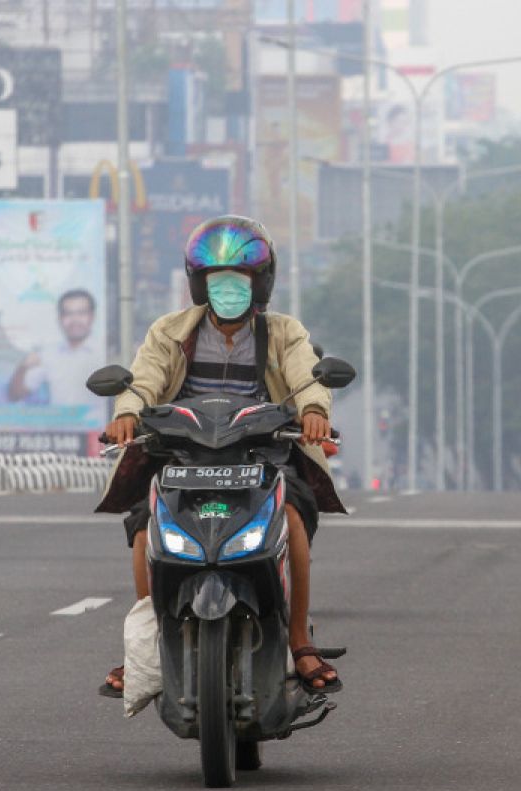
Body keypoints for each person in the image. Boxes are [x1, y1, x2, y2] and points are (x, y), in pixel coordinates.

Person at [95, 215, 345, 696]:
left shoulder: (284, 332)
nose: (229, 290)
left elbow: (306, 375)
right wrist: (127, 413)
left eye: (239, 280)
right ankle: (146, 649)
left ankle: (298, 642)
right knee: (145, 529)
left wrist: (313, 408)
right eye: (218, 280)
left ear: (260, 282)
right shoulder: (168, 332)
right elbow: (142, 381)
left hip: (262, 456)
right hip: (183, 458)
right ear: (199, 284)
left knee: (290, 517)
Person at [7, 289, 98, 405]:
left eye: (81, 313)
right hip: (60, 422)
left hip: (104, 423)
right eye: (68, 313)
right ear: (60, 318)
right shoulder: (48, 354)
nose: (75, 320)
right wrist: (22, 367)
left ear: (92, 316)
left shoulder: (106, 352)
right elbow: (15, 395)